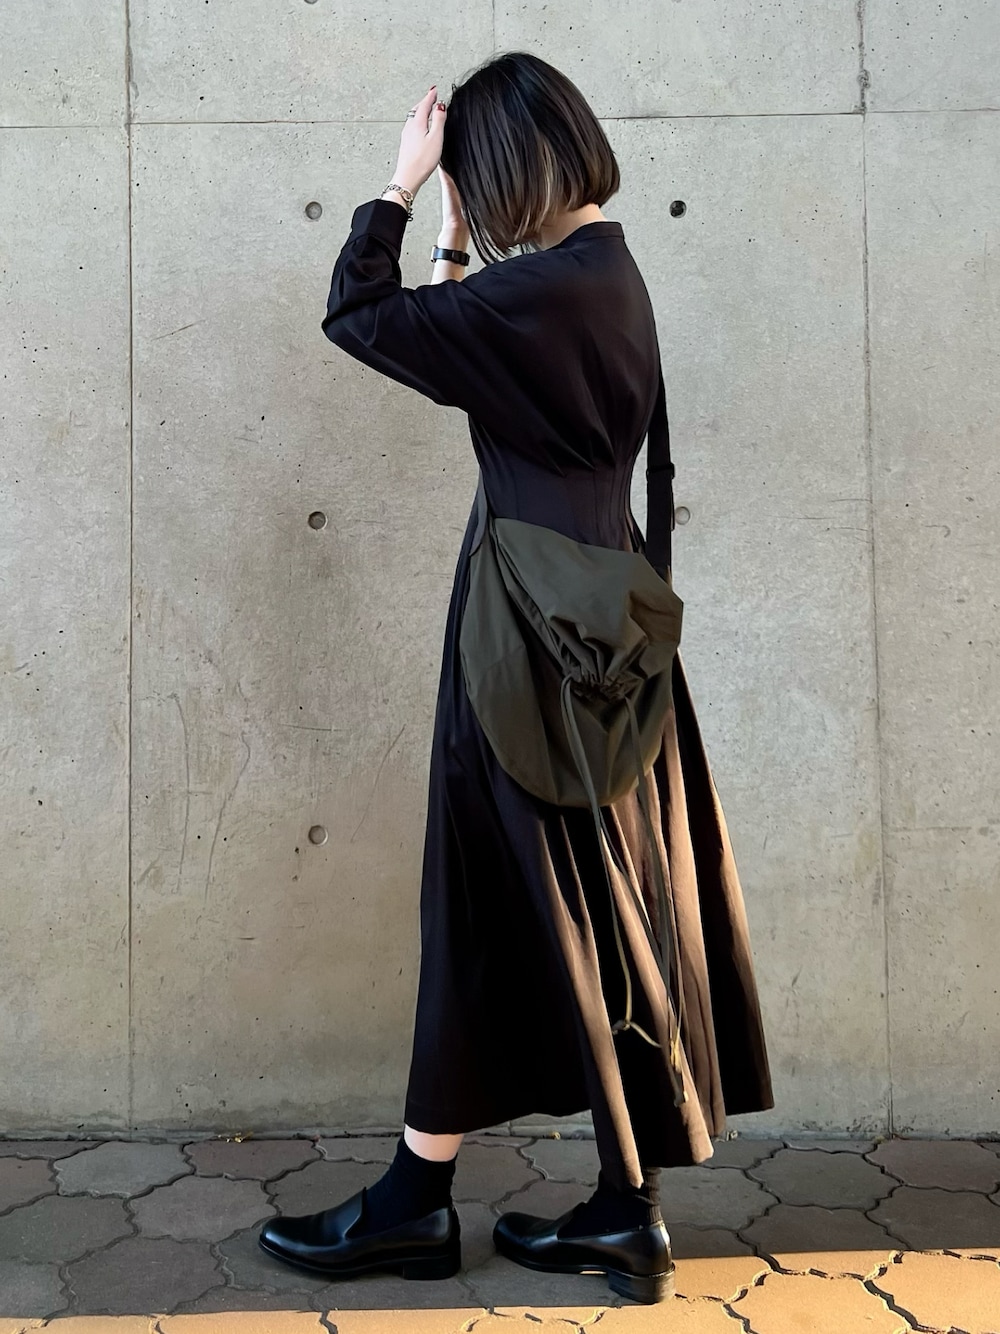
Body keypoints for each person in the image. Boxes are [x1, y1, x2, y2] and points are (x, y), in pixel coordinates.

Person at [258, 49, 773, 1305]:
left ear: (502, 167)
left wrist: (397, 189)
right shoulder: (601, 276)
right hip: (598, 632)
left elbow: (361, 318)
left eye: (472, 180)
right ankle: (618, 1208)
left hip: (524, 649)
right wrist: (452, 239)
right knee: (591, 897)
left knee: (500, 897)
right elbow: (445, 351)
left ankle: (419, 1203)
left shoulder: (541, 292)